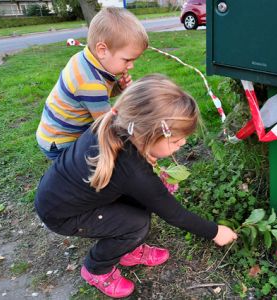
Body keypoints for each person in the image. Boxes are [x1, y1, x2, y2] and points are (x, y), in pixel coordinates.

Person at [34, 74, 238, 298]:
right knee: (137, 225)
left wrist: (152, 190)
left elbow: (136, 186)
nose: (183, 143)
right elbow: (175, 214)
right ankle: (96, 269)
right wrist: (215, 232)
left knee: (142, 205)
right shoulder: (132, 170)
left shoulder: (114, 125)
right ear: (148, 134)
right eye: (176, 139)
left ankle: (126, 247)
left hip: (58, 195)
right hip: (63, 215)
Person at [36, 7, 148, 160]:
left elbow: (98, 94)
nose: (131, 66)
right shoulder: (90, 83)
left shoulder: (83, 58)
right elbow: (108, 125)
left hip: (51, 132)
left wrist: (118, 87)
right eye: (127, 60)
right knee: (97, 163)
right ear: (102, 50)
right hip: (62, 142)